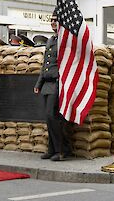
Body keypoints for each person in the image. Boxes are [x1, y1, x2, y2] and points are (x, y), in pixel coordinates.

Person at [34, 12, 71, 161]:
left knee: (53, 116)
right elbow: (45, 65)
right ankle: (52, 148)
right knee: (49, 118)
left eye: (56, 20)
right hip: (47, 84)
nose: (53, 23)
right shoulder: (51, 40)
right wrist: (39, 83)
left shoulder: (65, 41)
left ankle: (61, 150)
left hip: (58, 83)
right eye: (52, 20)